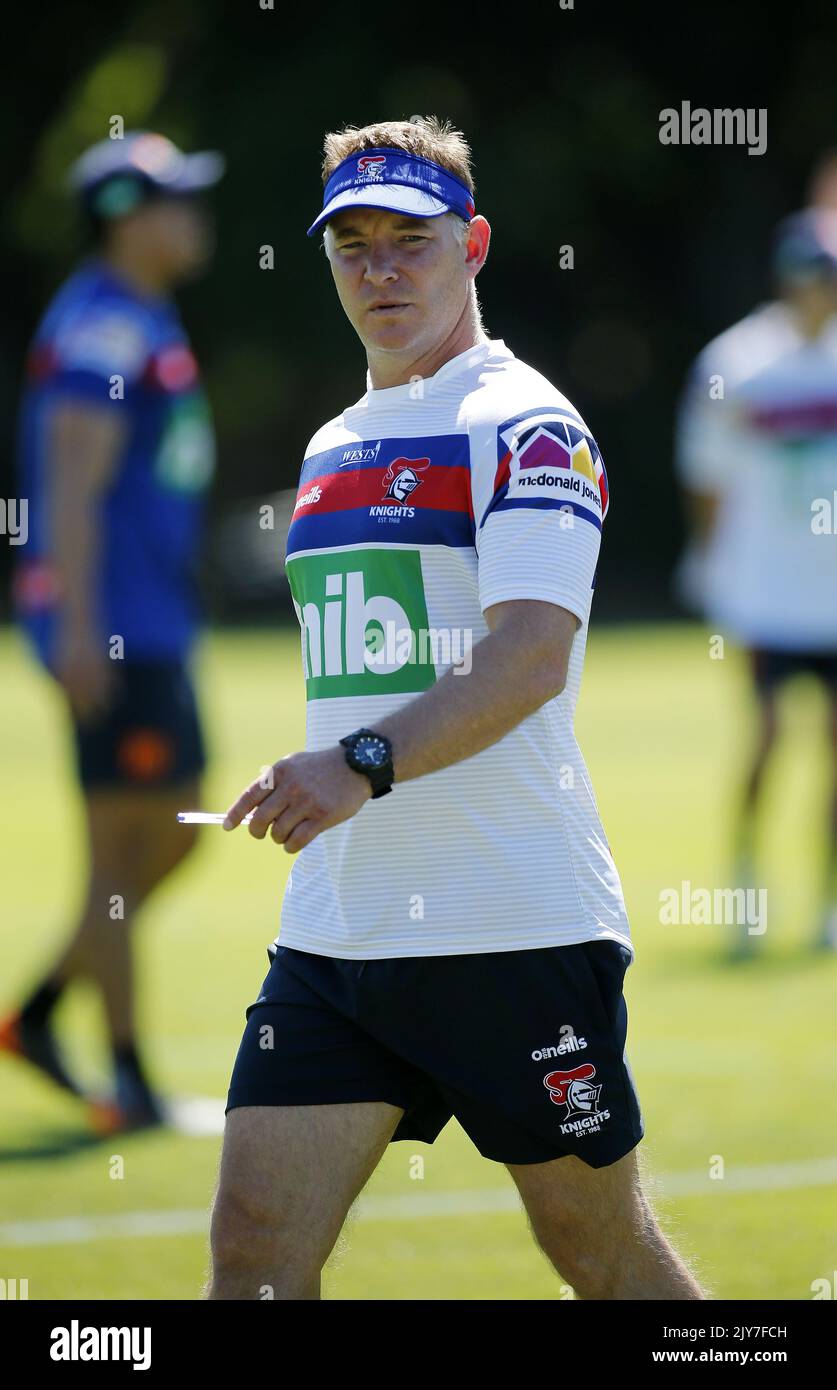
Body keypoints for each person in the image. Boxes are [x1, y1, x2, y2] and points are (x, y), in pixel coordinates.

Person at [208, 117, 703, 1300]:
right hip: (339, 933)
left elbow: (529, 657)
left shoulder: (524, 422)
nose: (380, 272)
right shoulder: (333, 444)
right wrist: (321, 771)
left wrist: (356, 763)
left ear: (472, 245)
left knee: (600, 1251)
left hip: (509, 927)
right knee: (254, 1246)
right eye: (353, 247)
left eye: (410, 243)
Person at [1, 132, 223, 1130]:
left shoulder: (139, 314)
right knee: (125, 849)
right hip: (117, 627)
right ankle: (128, 1081)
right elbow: (70, 487)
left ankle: (41, 1012)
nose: (193, 217)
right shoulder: (103, 329)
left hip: (150, 618)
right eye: (176, 201)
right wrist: (79, 624)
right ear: (129, 216)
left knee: (170, 836)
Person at [676, 209, 837, 956]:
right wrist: (710, 561)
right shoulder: (735, 361)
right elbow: (705, 471)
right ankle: (743, 890)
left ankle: (827, 904)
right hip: (767, 589)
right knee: (767, 737)